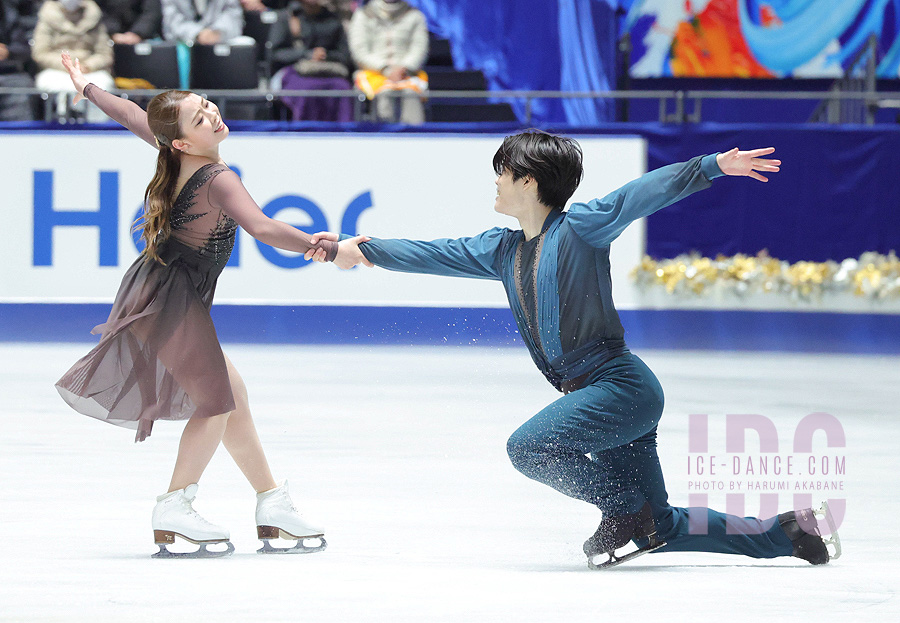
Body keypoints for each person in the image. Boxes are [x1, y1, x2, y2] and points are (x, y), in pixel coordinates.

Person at [308, 130, 841, 568]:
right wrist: (362, 249)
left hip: (620, 387)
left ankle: (623, 508)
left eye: (502, 171)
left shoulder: (581, 227)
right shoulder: (502, 249)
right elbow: (434, 253)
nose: (495, 181)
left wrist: (711, 166)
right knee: (661, 527)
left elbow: (638, 194)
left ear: (527, 180)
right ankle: (790, 532)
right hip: (598, 396)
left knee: (529, 447)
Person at [54, 52, 363, 558]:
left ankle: (272, 505)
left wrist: (87, 86)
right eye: (200, 118)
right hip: (172, 300)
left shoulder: (172, 151)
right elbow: (262, 227)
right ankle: (176, 506)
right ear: (181, 141)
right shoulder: (218, 178)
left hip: (161, 292)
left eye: (207, 105)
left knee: (231, 396)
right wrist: (329, 249)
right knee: (216, 401)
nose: (213, 114)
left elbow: (133, 113)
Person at [32, 0, 115, 122]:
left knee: (101, 85)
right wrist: (68, 66)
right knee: (56, 84)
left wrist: (88, 66)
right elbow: (40, 53)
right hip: (58, 69)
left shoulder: (93, 15)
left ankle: (97, 129)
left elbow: (105, 54)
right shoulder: (47, 15)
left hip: (89, 70)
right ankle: (63, 125)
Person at [269, 0, 353, 121]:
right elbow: (276, 54)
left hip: (328, 71)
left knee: (342, 87)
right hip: (295, 71)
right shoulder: (287, 17)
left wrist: (326, 55)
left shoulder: (333, 19)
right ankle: (302, 133)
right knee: (304, 90)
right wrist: (306, 54)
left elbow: (344, 55)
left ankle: (343, 134)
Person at [347, 0, 428, 125]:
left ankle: (415, 136)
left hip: (407, 73)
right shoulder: (364, 14)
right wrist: (384, 68)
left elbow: (419, 47)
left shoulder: (414, 15)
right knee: (385, 93)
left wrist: (404, 68)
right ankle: (382, 135)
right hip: (373, 72)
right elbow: (359, 51)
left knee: (410, 94)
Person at [161, 0, 253, 88]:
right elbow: (171, 22)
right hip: (186, 40)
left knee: (244, 44)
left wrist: (216, 32)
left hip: (220, 36)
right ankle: (184, 96)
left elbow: (233, 15)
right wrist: (198, 33)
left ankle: (234, 97)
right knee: (178, 52)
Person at [0, 0, 37, 121]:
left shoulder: (8, 15)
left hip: (8, 74)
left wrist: (8, 52)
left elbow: (24, 50)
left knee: (23, 85)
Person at [98, 0, 164, 45]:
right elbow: (97, 10)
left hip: (143, 39)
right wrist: (113, 33)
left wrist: (137, 34)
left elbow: (152, 12)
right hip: (107, 37)